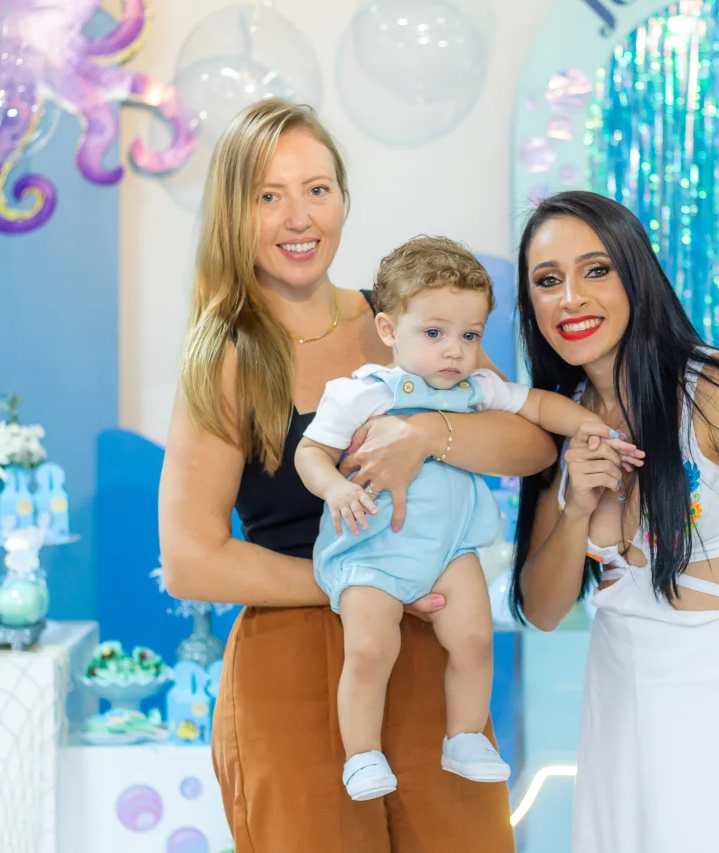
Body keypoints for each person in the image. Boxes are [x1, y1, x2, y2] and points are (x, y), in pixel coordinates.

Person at [157, 98, 556, 853]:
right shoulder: (225, 356)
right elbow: (190, 560)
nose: (299, 217)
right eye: (268, 196)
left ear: (343, 196)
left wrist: (429, 434)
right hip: (296, 663)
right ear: (234, 213)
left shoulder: (406, 319)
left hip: (428, 652)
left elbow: (530, 444)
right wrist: (369, 580)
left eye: (317, 188)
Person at [510, 190, 719, 853]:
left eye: (596, 270)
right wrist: (577, 511)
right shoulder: (554, 419)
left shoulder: (716, 388)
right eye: (548, 280)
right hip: (618, 706)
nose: (571, 298)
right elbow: (541, 610)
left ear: (636, 274)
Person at [294, 236, 643, 801]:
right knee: (370, 648)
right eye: (434, 334)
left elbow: (537, 407)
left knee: (476, 638)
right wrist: (335, 488)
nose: (454, 351)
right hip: (372, 550)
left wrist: (595, 427)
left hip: (450, 550)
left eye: (470, 336)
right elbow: (310, 453)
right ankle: (361, 753)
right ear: (389, 330)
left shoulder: (477, 389)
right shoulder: (363, 393)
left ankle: (464, 736)